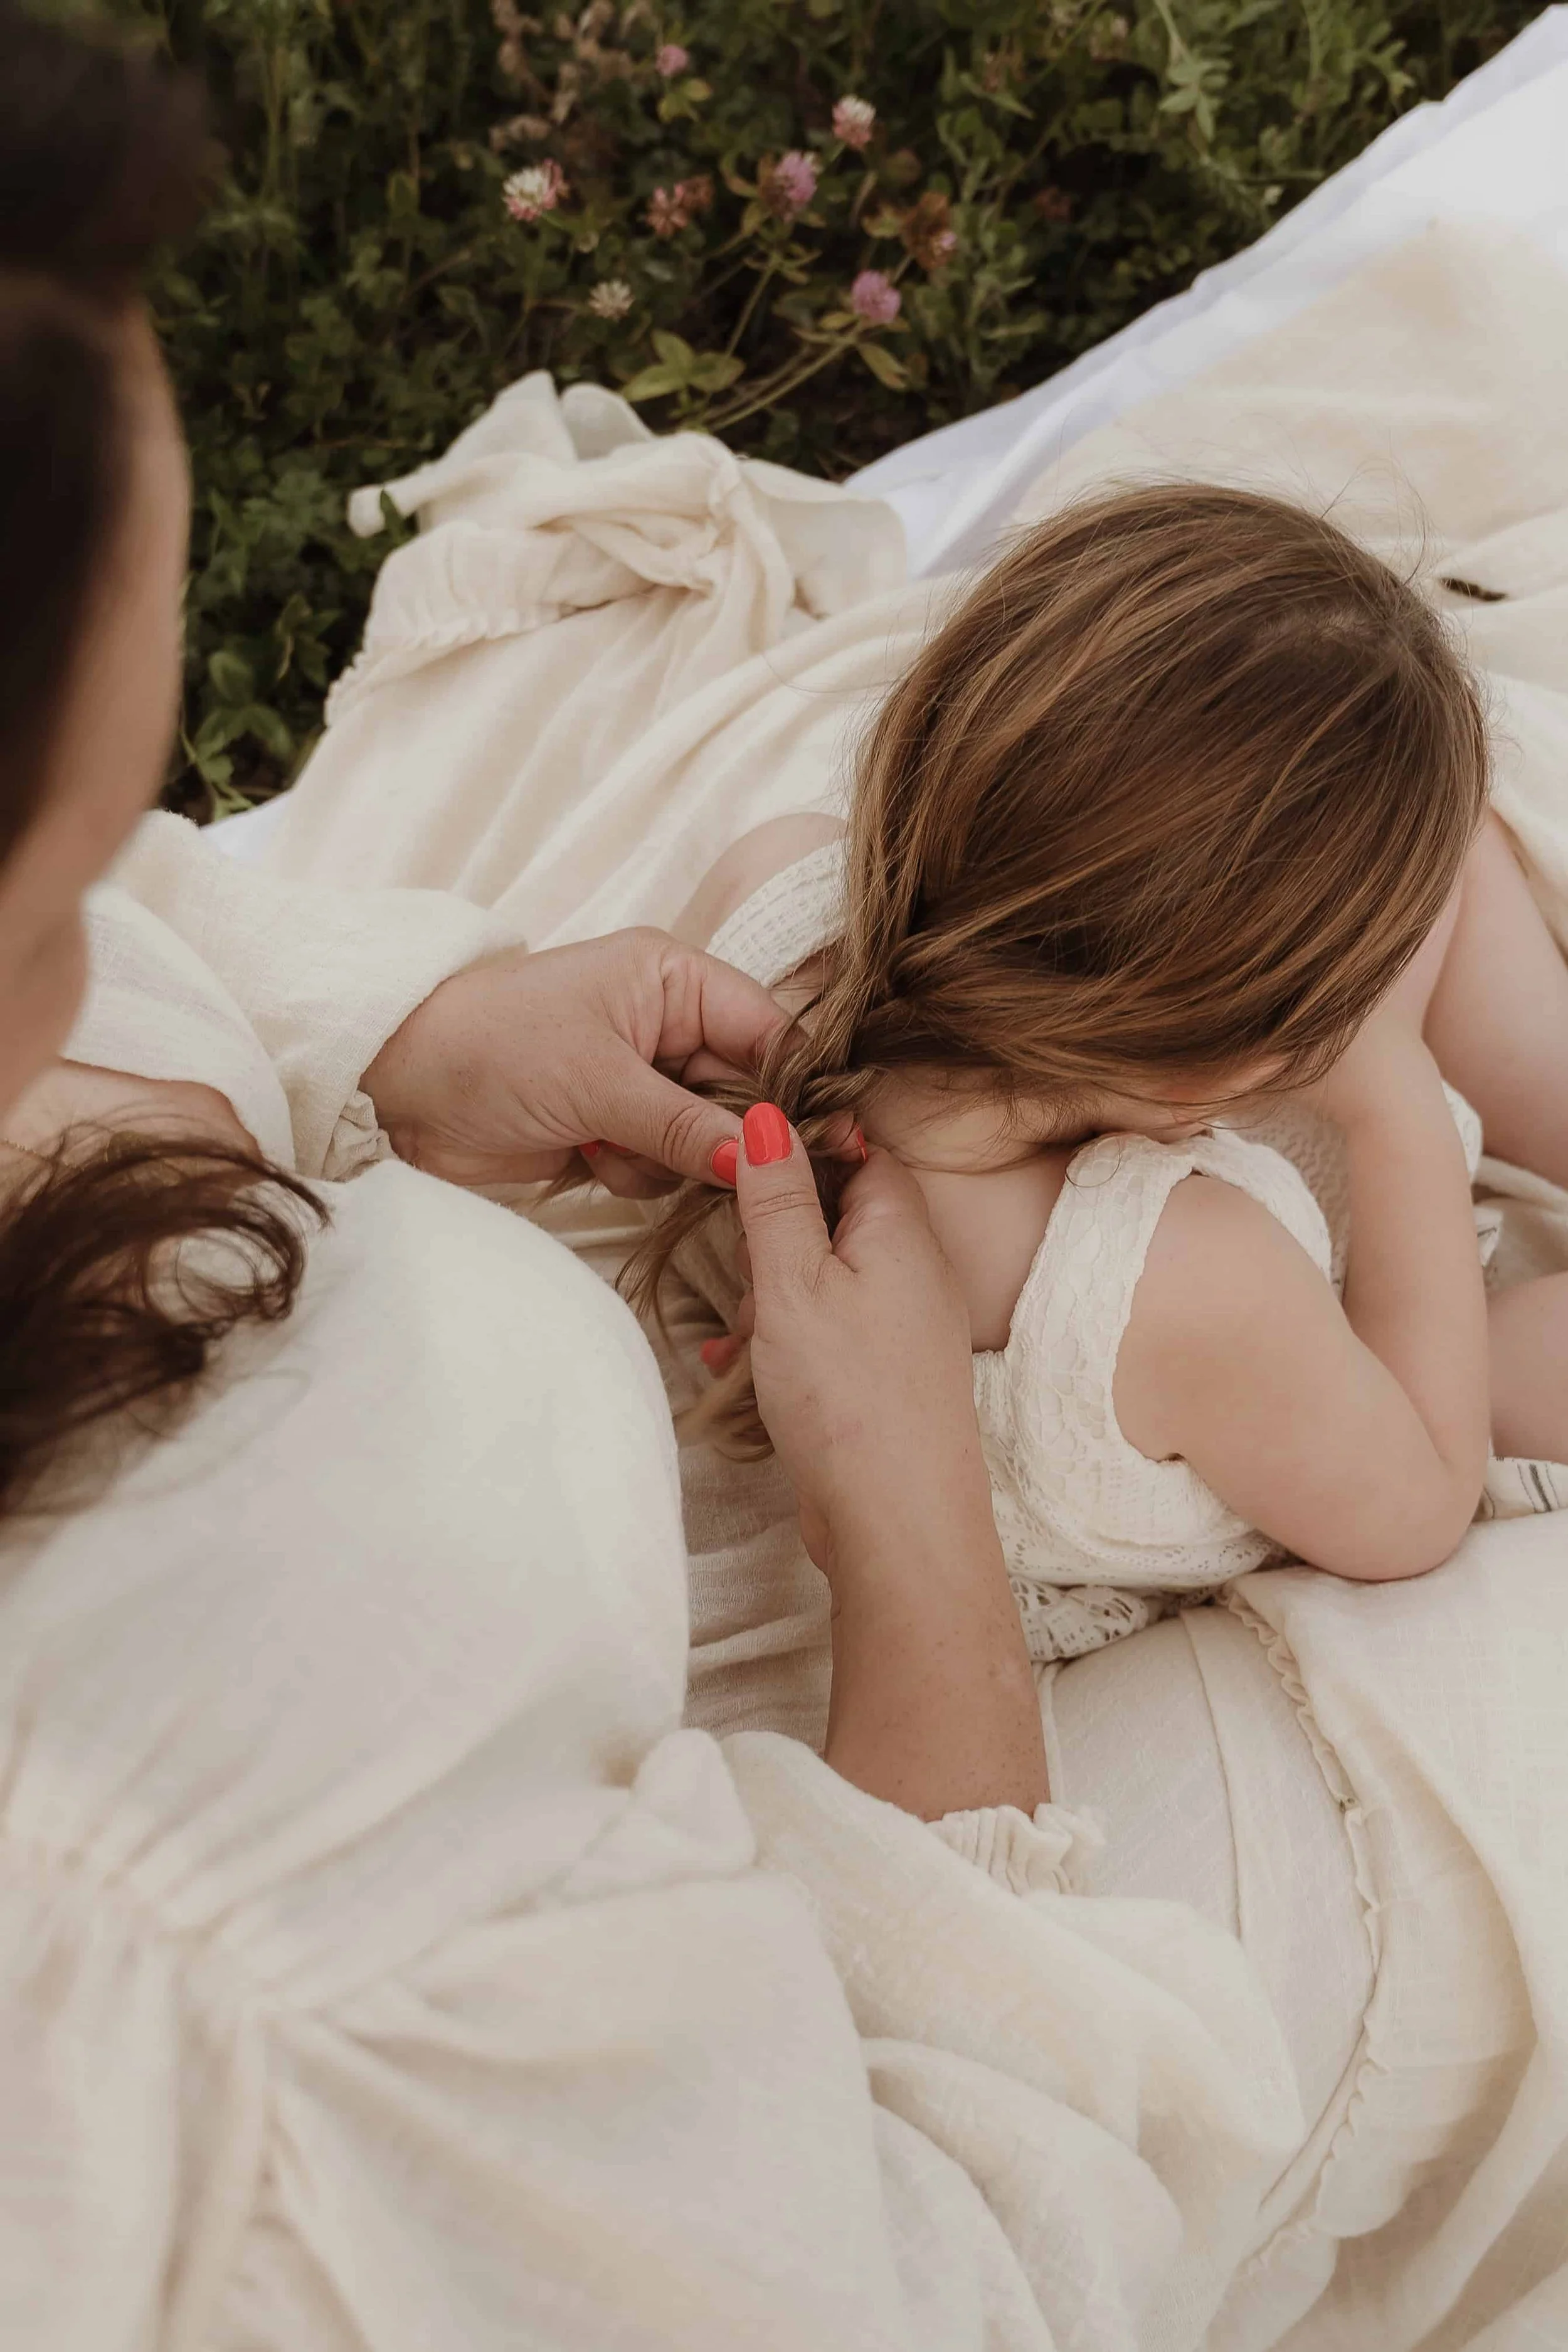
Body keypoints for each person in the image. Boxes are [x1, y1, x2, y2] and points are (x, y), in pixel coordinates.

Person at [1, 16, 1318, 2348]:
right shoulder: (216, 1959)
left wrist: (397, 1036)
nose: (126, 929)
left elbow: (182, 943)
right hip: (922, 1914)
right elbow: (925, 2279)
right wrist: (921, 1565)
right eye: (60, 889)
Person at [633, 486, 1568, 1662]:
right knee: (1459, 858)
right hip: (1278, 1386)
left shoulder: (772, 898)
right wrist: (1398, 1104)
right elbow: (1421, 1506)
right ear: (1221, 1078)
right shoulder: (1195, 1275)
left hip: (1071, 1189)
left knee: (1433, 836)